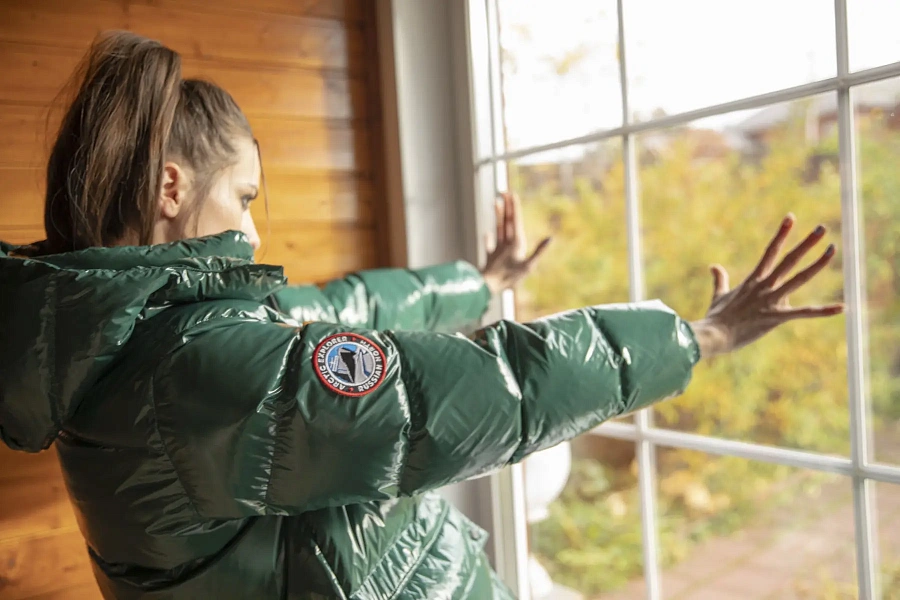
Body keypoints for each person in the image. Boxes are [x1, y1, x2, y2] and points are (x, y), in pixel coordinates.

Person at [0, 31, 844, 600]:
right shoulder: (195, 372)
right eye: (245, 197)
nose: (253, 231)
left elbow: (344, 308)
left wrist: (476, 282)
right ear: (171, 187)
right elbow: (475, 389)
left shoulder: (129, 337)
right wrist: (694, 338)